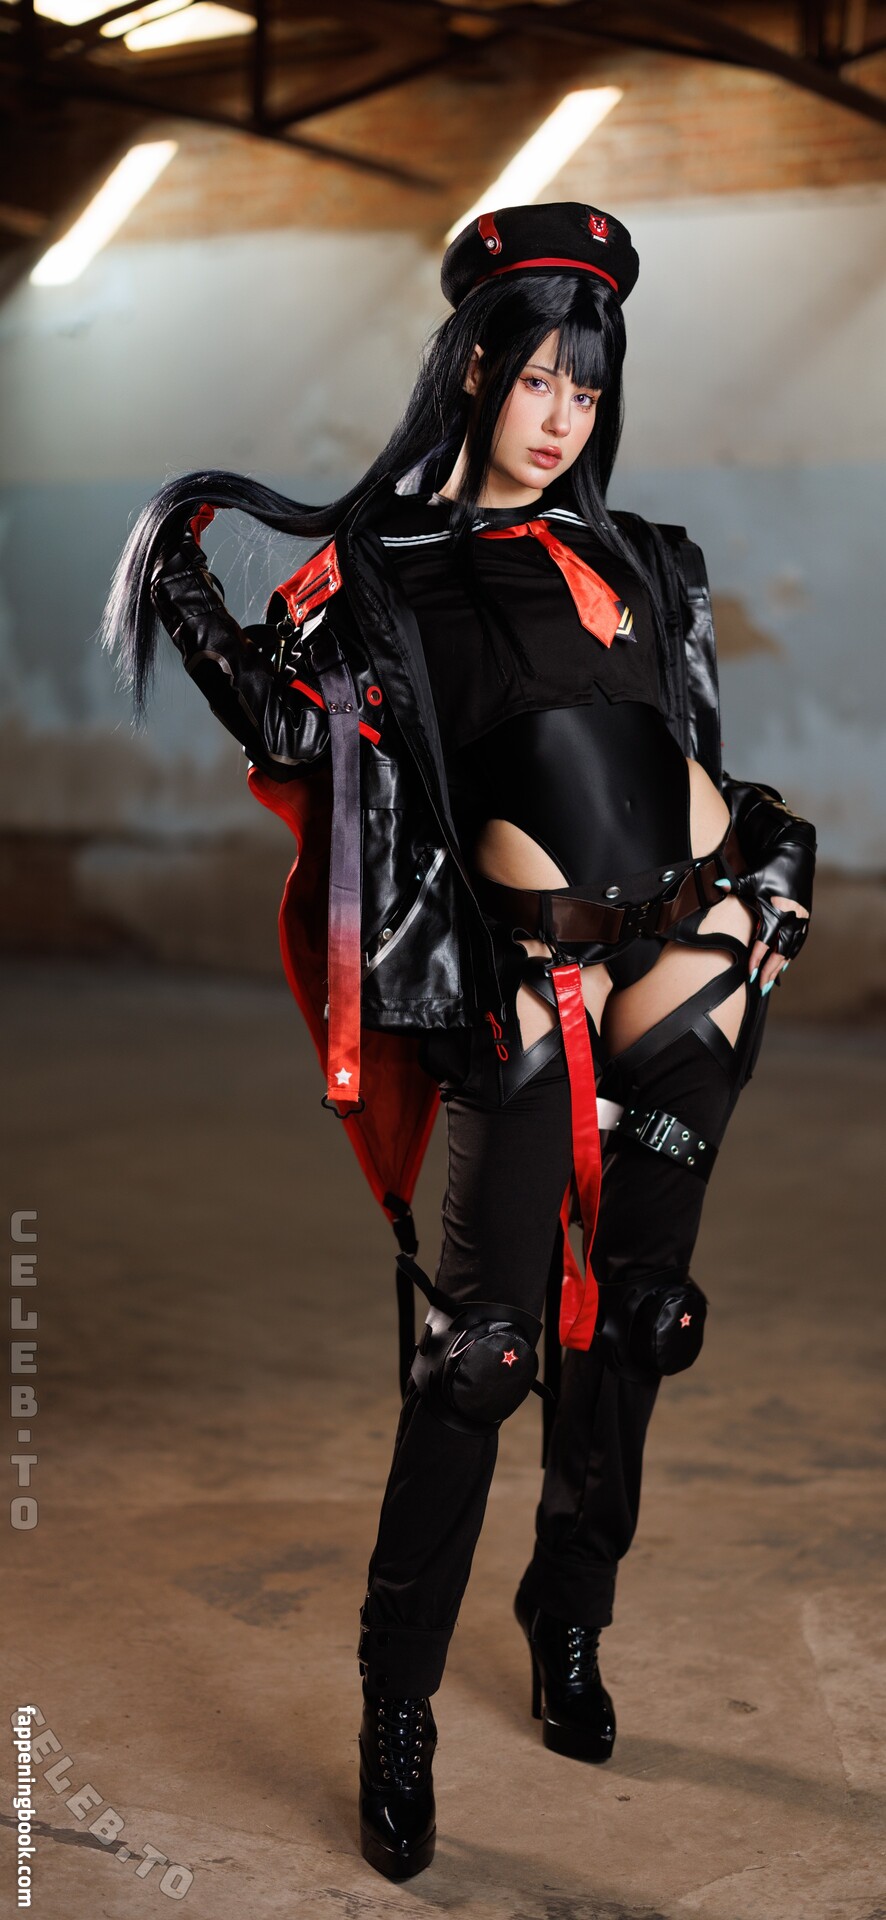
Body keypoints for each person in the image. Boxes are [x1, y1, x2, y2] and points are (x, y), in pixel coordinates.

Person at [102, 202, 815, 1883]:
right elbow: (292, 732)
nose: (562, 413)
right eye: (538, 376)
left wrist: (768, 882)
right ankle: (395, 1707)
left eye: (590, 384)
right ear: (474, 370)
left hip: (687, 964)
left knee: (638, 1321)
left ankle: (570, 1615)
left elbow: (692, 760)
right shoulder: (385, 569)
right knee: (479, 1357)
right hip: (515, 984)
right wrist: (177, 571)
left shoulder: (646, 559)